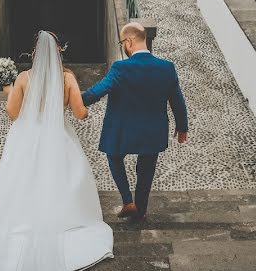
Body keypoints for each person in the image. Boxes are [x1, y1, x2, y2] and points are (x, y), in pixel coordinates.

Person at [0, 30, 113, 271]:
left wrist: (10, 91)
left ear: (35, 54)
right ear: (59, 51)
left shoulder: (24, 78)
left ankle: (21, 221)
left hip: (25, 137)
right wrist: (80, 109)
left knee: (21, 178)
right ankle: (62, 221)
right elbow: (81, 113)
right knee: (60, 180)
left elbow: (13, 114)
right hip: (58, 137)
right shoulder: (67, 78)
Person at [81, 22, 189, 222]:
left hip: (121, 128)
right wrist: (182, 127)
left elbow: (97, 92)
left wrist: (73, 98)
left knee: (114, 156)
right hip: (153, 130)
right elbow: (177, 100)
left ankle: (128, 200)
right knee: (146, 170)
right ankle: (140, 211)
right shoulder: (166, 68)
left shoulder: (121, 68)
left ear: (129, 41)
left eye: (123, 42)